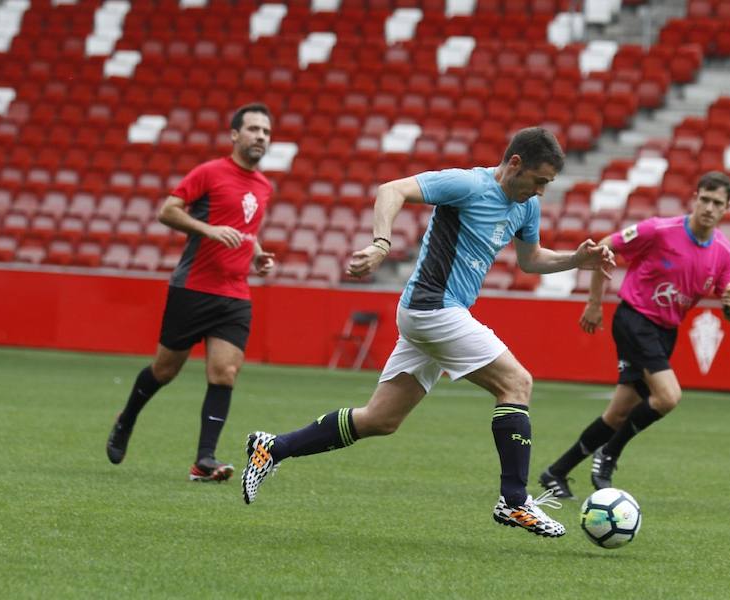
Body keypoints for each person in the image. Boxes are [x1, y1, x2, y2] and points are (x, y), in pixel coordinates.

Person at [240, 127, 615, 538]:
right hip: (432, 307)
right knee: (517, 382)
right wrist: (381, 244)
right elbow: (392, 189)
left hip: (434, 314)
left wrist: (577, 260)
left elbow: (531, 261)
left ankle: (272, 448)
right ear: (514, 165)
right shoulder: (468, 184)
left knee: (380, 419)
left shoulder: (526, 207)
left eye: (549, 184)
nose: (542, 192)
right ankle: (514, 500)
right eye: (539, 181)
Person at [538, 171, 730, 499]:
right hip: (634, 319)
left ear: (727, 208)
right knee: (668, 397)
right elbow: (604, 247)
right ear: (694, 198)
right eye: (704, 199)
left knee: (618, 413)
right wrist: (594, 303)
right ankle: (609, 455)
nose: (708, 207)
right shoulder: (659, 230)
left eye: (717, 203)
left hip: (666, 331)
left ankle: (556, 472)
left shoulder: (724, 252)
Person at [106, 103, 276, 482]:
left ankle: (205, 460)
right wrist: (209, 230)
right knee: (165, 370)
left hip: (235, 295)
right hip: (194, 288)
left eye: (265, 132)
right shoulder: (210, 173)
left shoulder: (264, 187)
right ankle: (126, 418)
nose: (260, 137)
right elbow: (168, 211)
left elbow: (246, 229)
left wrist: (259, 255)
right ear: (235, 135)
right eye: (253, 129)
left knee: (225, 372)